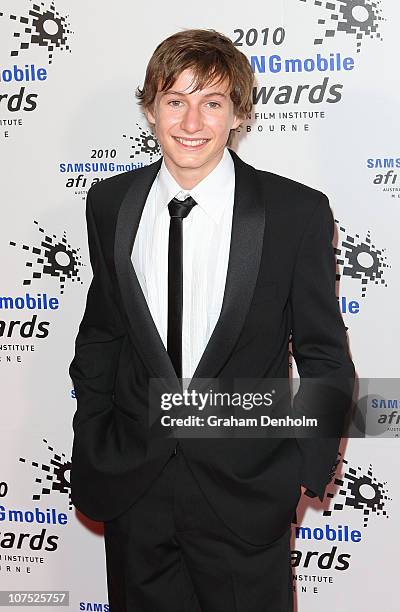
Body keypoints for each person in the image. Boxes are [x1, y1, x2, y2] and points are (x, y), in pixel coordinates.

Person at [69, 28, 355, 612]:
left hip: (246, 493)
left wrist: (303, 470)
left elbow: (325, 356)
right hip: (135, 487)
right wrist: (93, 438)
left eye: (212, 102)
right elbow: (102, 335)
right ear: (151, 109)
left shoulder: (295, 212)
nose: (192, 121)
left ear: (237, 114)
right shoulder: (109, 203)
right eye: (175, 101)